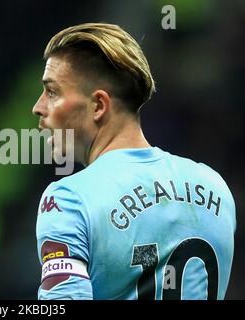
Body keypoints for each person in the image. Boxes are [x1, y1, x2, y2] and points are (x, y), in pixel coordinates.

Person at [32, 23, 236, 300]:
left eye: (52, 92)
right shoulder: (217, 189)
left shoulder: (68, 200)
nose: (38, 107)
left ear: (98, 106)